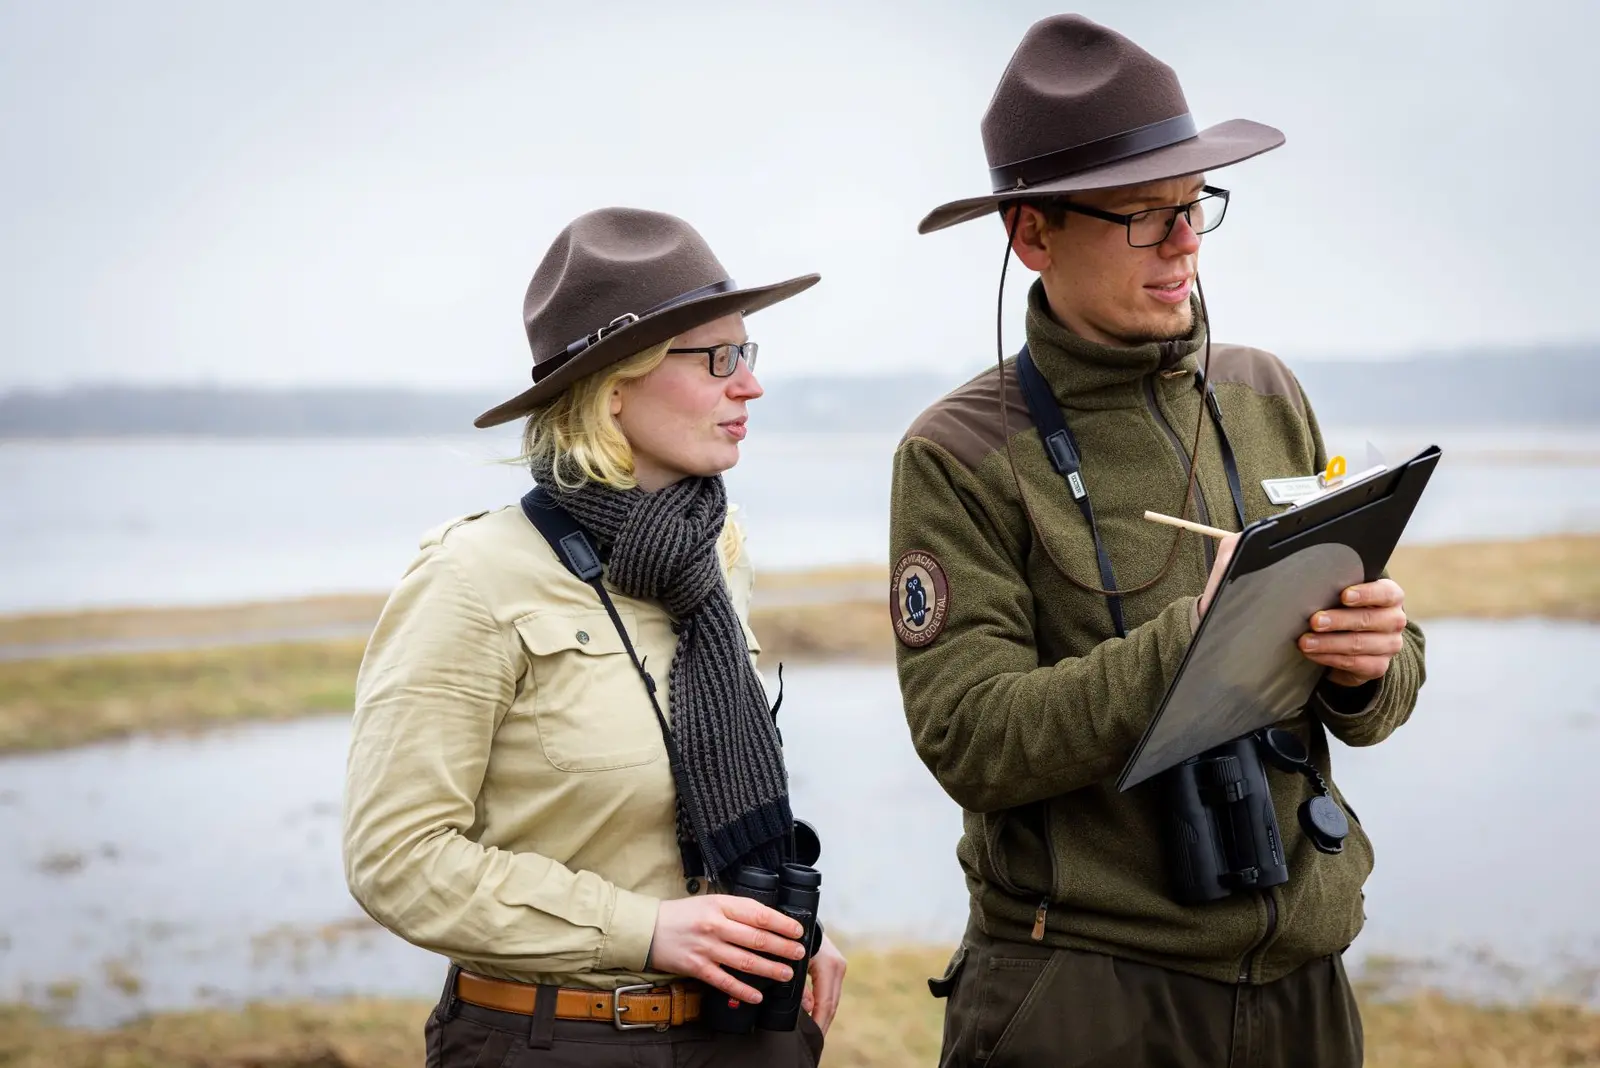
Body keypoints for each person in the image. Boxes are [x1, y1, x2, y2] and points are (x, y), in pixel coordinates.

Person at [892, 15, 1425, 1067]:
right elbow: (970, 740)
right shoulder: (957, 452)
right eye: (1143, 217)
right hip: (1081, 992)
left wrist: (1370, 667)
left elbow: (1381, 693)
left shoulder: (1264, 390)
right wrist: (1202, 639)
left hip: (1303, 984)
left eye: (1193, 209)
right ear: (1030, 234)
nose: (1184, 244)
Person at [343, 207, 846, 1067]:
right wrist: (646, 931)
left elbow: (698, 800)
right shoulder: (471, 578)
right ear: (616, 386)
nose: (750, 386)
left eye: (748, 354)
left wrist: (781, 932)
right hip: (554, 1042)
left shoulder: (712, 552)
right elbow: (397, 860)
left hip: (739, 1034)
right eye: (719, 360)